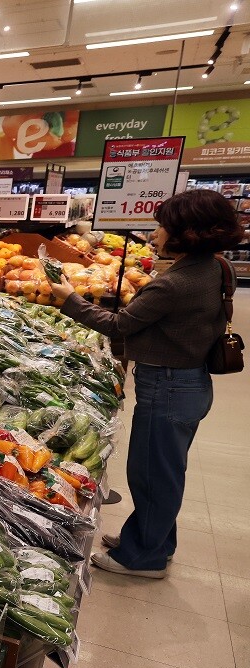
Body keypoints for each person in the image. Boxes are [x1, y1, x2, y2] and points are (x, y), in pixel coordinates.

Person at [50, 189, 241, 579]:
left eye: (162, 226)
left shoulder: (173, 284)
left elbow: (117, 325)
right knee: (164, 472)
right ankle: (151, 540)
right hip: (192, 382)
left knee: (153, 475)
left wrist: (68, 298)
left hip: (167, 387)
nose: (155, 234)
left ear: (186, 233)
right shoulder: (218, 267)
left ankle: (144, 558)